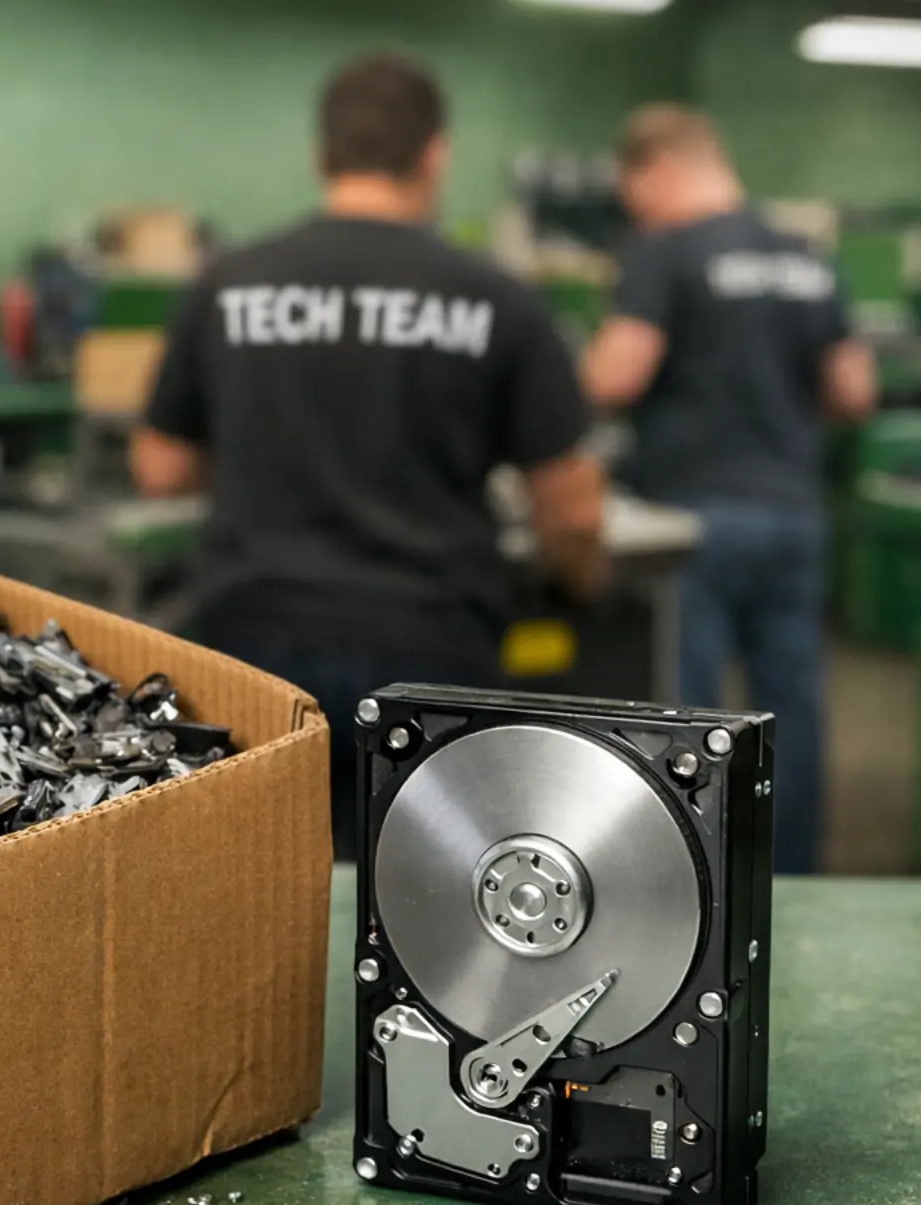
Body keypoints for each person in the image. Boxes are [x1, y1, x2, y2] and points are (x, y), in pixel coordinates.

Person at [131, 51, 607, 859]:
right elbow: (572, 508)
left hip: (256, 637)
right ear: (434, 155)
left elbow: (161, 467)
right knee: (424, 903)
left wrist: (267, 440)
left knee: (263, 892)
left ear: (322, 156)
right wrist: (580, 585)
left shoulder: (230, 284)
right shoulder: (497, 300)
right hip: (432, 643)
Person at [581, 105, 876, 875]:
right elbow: (853, 390)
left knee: (691, 714)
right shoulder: (806, 254)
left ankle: (697, 881)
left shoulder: (665, 252)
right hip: (793, 513)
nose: (636, 209)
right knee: (792, 711)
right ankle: (794, 872)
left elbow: (617, 374)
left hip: (693, 521)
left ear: (660, 169)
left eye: (634, 192)